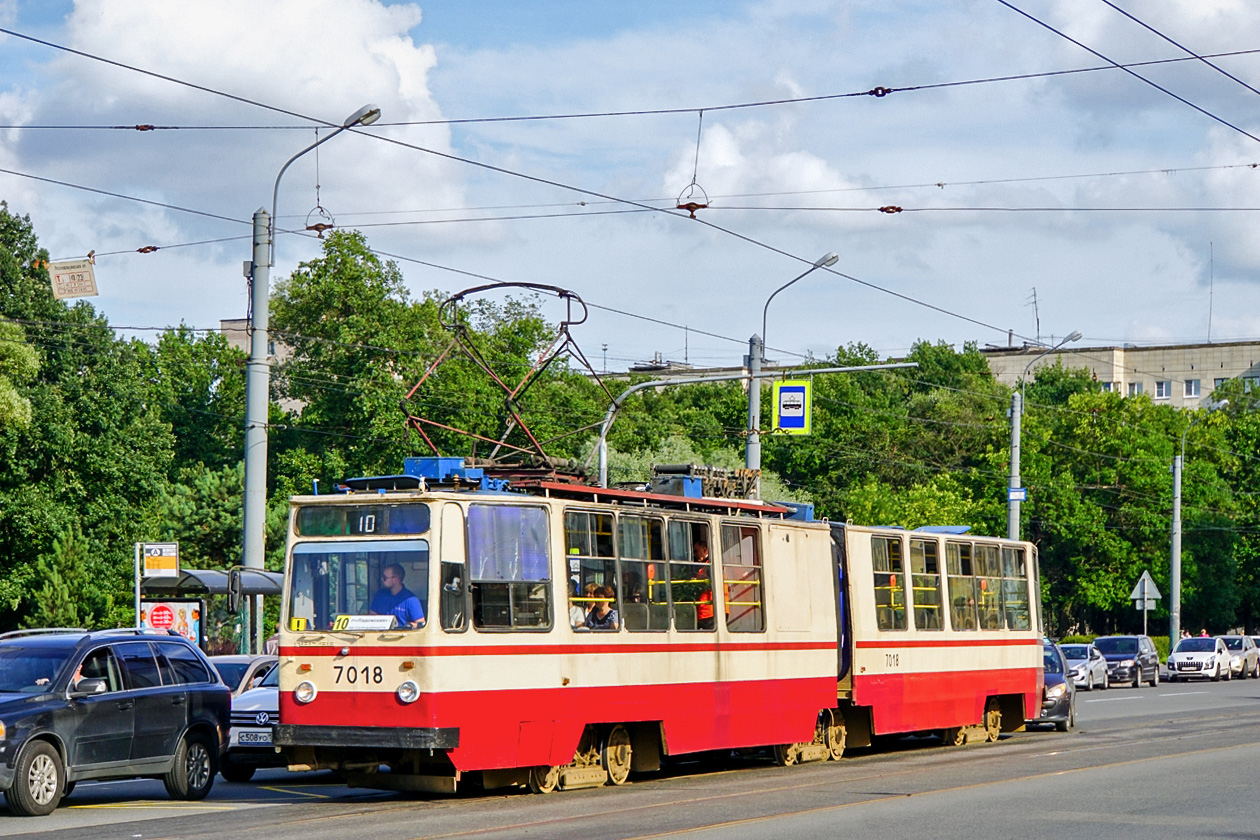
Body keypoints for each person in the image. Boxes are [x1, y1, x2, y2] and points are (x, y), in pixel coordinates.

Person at [369, 563, 425, 628]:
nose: (382, 579)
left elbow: (421, 623)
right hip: (379, 635)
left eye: (385, 578)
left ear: (395, 579)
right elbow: (372, 615)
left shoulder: (411, 600)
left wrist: (408, 626)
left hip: (402, 636)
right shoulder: (380, 595)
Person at [693, 540, 715, 630]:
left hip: (709, 610)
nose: (695, 554)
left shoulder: (711, 565)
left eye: (696, 551)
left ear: (705, 550)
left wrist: (696, 582)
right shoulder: (705, 566)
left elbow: (710, 583)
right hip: (706, 610)